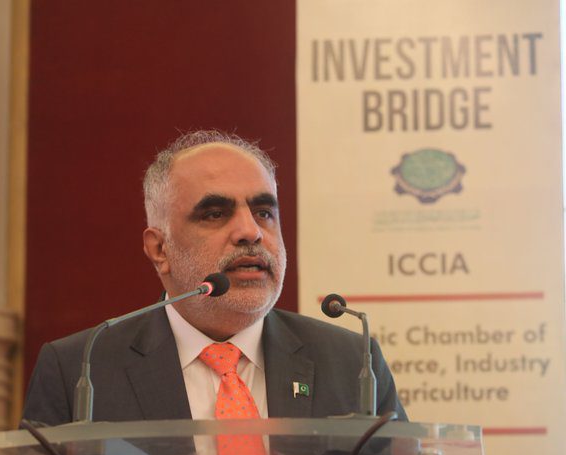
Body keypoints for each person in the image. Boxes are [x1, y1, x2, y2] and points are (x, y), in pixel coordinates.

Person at [23, 130, 406, 427]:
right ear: (160, 249)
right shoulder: (80, 369)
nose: (250, 232)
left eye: (264, 212)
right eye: (215, 214)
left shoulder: (354, 363)